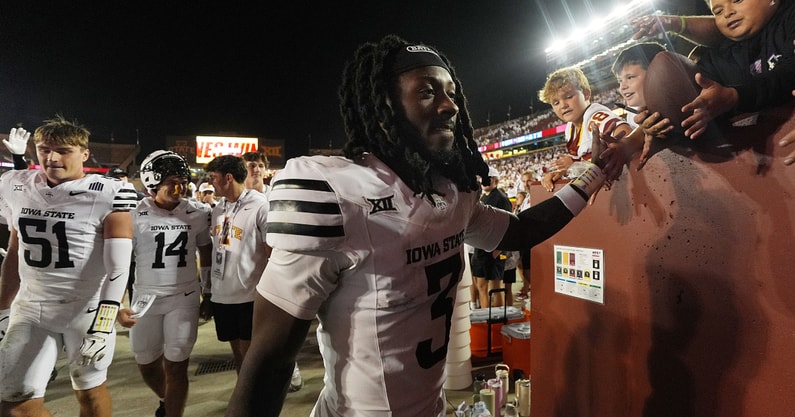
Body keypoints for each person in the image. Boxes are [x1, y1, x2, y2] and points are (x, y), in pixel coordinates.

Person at [225, 34, 612, 417]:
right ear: (384, 107)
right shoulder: (336, 191)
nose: (449, 106)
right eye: (427, 93)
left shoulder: (450, 192)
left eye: (451, 93)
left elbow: (521, 231)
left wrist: (597, 171)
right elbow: (269, 363)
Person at [0, 115, 137, 417]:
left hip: (84, 310)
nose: (52, 157)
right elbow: (14, 251)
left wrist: (103, 326)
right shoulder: (14, 184)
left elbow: (118, 269)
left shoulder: (108, 192)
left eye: (63, 150)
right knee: (14, 406)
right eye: (45, 149)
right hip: (31, 308)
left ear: (84, 154)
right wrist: (2, 308)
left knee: (89, 392)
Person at [115, 150, 213, 417]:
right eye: (171, 180)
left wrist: (208, 290)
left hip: (184, 296)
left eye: (182, 179)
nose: (178, 186)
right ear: (153, 181)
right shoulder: (133, 213)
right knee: (145, 362)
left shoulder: (198, 212)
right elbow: (120, 262)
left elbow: (205, 250)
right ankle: (165, 399)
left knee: (177, 365)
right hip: (145, 297)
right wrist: (117, 303)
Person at [631, 0, 795, 140]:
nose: (728, 13)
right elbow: (698, 103)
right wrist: (655, 122)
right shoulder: (718, 57)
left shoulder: (790, 17)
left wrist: (736, 96)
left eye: (737, 0)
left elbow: (788, 72)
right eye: (718, 11)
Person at [241, 151, 305, 392]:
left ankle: (292, 369)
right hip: (247, 271)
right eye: (250, 165)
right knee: (251, 332)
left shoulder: (275, 193)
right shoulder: (238, 199)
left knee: (281, 327)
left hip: (274, 267)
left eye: (258, 165)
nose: (255, 169)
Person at [200, 155, 270, 373]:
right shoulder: (218, 209)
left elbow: (272, 254)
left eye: (213, 177)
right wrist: (209, 293)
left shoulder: (260, 206)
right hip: (223, 295)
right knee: (238, 356)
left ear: (228, 178)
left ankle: (254, 402)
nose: (211, 182)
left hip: (250, 296)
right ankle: (245, 399)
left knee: (251, 357)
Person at [537, 66, 635, 192]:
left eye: (569, 96)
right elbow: (586, 161)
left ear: (586, 93)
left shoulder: (596, 117)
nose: (563, 105)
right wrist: (565, 170)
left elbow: (628, 136)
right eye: (556, 103)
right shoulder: (570, 128)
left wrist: (574, 166)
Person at [611, 41, 672, 168]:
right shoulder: (631, 114)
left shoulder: (679, 100)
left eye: (630, 77)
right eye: (619, 81)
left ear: (657, 73)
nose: (623, 87)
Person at [471, 166, 512, 309]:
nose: (484, 182)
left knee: (495, 287)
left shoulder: (501, 198)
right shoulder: (483, 197)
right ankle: (485, 317)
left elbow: (509, 225)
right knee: (481, 285)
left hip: (495, 248)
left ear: (495, 180)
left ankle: (497, 318)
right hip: (481, 247)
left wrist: (500, 249)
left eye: (488, 179)